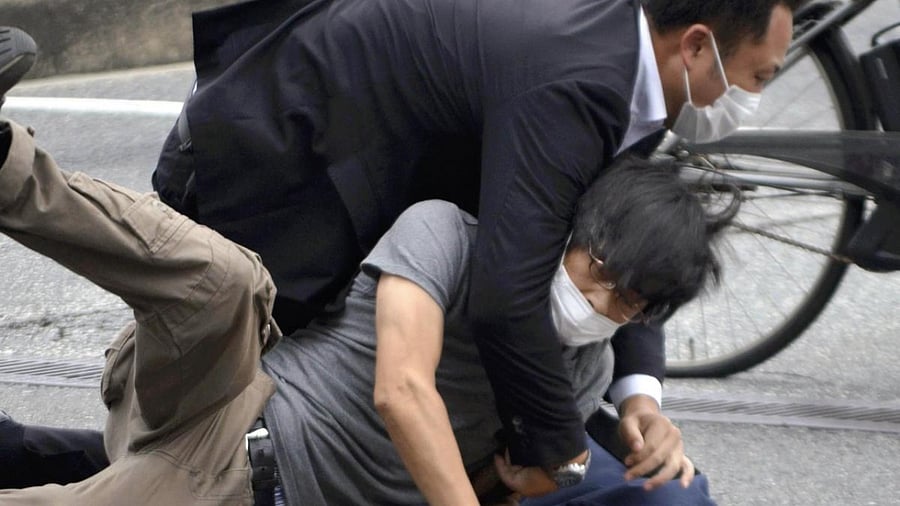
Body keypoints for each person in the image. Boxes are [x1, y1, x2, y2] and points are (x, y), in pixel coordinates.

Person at [0, 68, 724, 503]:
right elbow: (399, 389)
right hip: (226, 412)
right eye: (597, 273)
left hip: (232, 489)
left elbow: (488, 485)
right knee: (226, 279)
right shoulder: (448, 238)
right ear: (571, 232)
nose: (598, 304)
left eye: (626, 303)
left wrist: (527, 479)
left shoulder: (586, 369)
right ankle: (6, 164)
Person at [148, 0, 801, 482]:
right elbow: (505, 300)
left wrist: (638, 398)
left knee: (207, 456)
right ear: (694, 45)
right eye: (758, 76)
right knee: (203, 432)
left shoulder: (628, 68)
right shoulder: (581, 81)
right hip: (255, 165)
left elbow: (623, 230)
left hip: (331, 178)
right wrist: (560, 458)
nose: (751, 98)